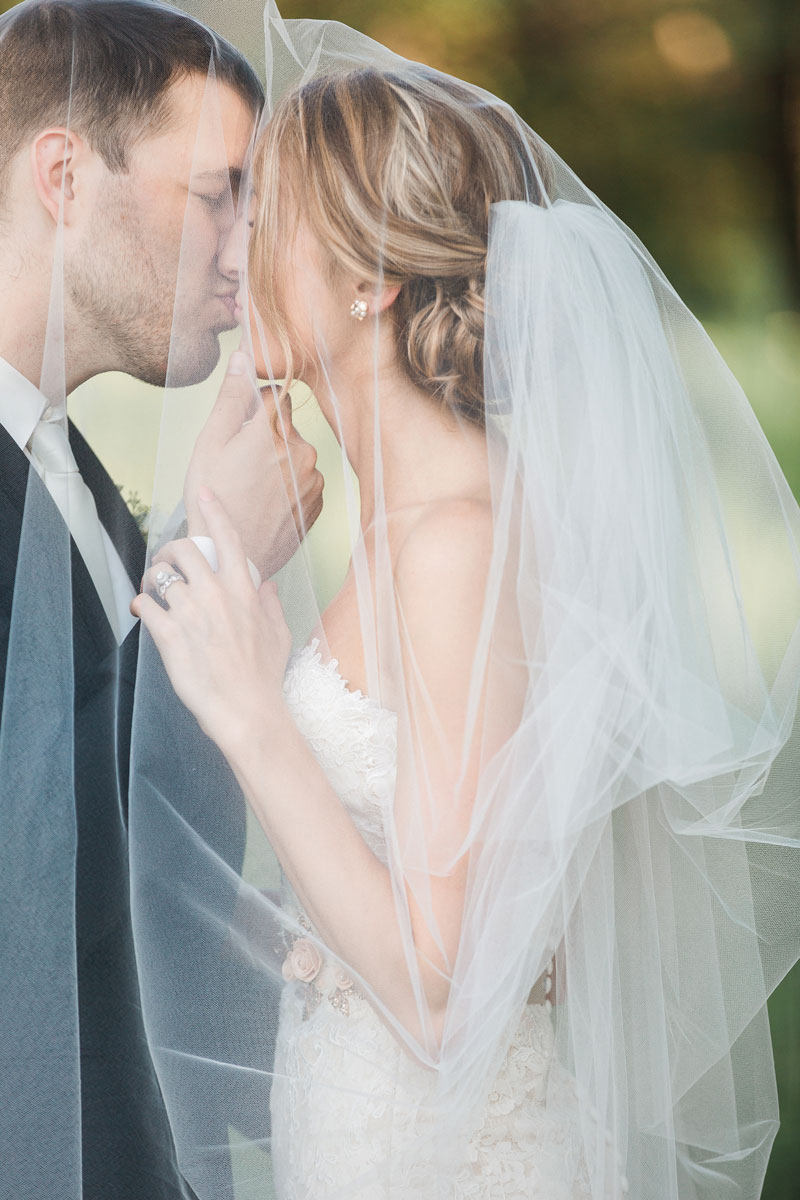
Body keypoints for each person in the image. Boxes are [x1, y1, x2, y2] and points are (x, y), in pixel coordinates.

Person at [128, 11, 800, 1198]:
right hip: (359, 1128)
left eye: (263, 217)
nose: (228, 253)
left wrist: (252, 713)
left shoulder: (455, 546)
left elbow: (442, 995)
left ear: (370, 283)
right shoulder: (397, 526)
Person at [0, 3, 321, 1198]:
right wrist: (220, 548)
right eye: (215, 196)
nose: (244, 254)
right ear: (65, 174)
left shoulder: (69, 470)